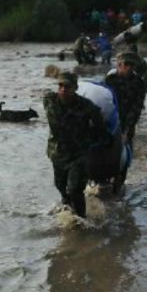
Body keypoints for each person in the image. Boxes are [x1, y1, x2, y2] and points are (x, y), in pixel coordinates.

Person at [43, 72, 109, 218]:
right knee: (60, 185)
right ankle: (67, 205)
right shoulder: (49, 100)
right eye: (60, 85)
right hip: (57, 152)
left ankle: (81, 221)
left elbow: (100, 126)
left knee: (75, 189)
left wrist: (96, 140)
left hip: (78, 154)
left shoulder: (86, 106)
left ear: (75, 87)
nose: (63, 89)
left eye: (67, 86)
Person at [105, 52, 146, 143]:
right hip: (111, 119)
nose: (129, 67)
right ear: (119, 65)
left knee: (126, 145)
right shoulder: (110, 80)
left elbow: (137, 106)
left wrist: (128, 126)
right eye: (126, 64)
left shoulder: (138, 83)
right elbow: (104, 100)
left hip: (128, 120)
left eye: (132, 65)